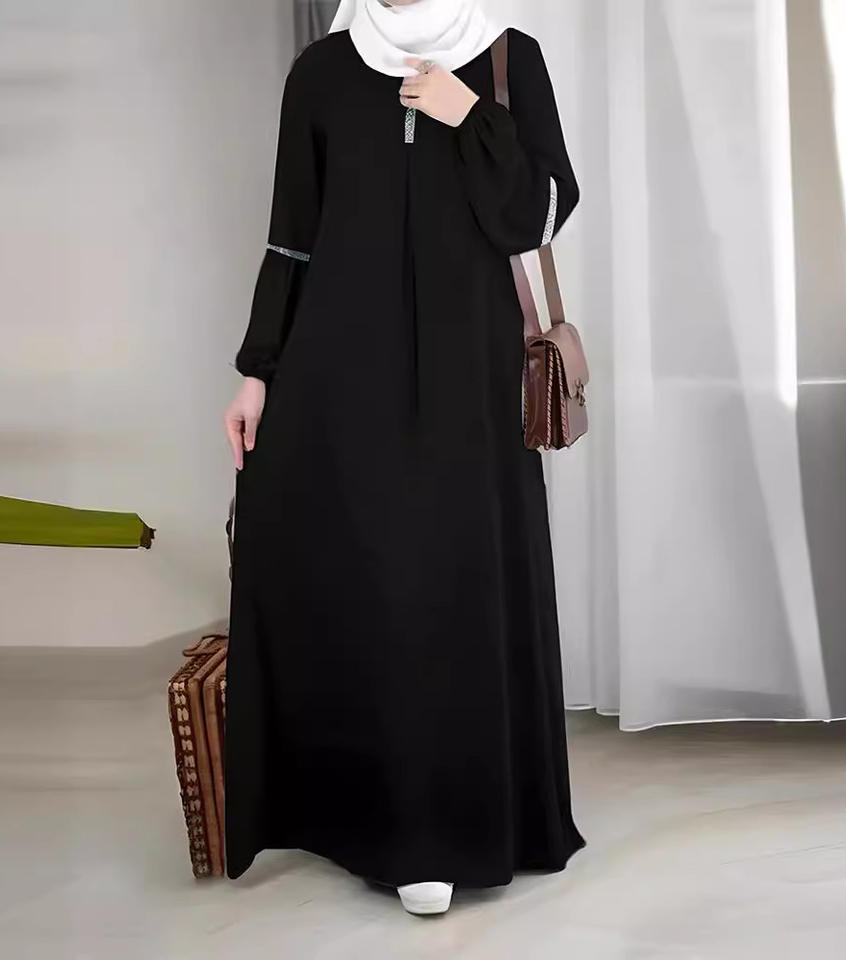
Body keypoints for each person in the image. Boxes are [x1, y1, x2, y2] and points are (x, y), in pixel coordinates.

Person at [223, 0, 584, 916]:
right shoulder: (322, 74)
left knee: (455, 583)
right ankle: (383, 824)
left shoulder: (507, 58)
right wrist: (257, 372)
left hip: (471, 381)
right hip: (341, 380)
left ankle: (457, 823)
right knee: (370, 587)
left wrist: (472, 116)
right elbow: (290, 237)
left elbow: (538, 215)